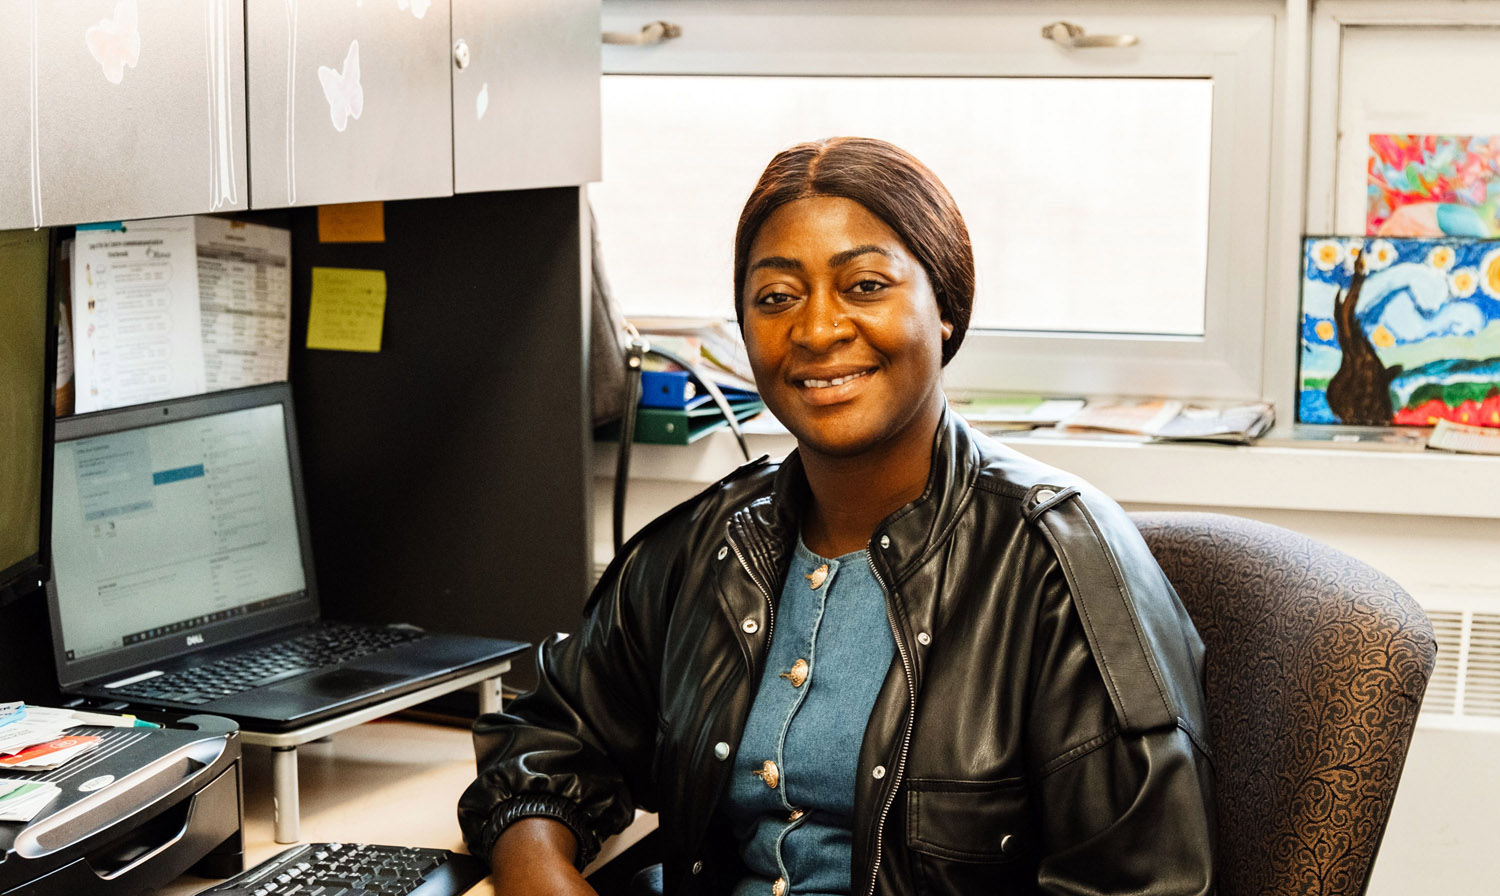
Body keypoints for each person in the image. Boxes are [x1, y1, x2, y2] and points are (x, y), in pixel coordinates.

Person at [459, 137, 1216, 896]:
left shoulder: (1063, 562)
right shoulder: (712, 543)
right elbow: (550, 735)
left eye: (865, 285)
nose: (818, 330)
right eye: (776, 297)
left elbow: (1143, 884)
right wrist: (542, 873)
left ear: (946, 309)